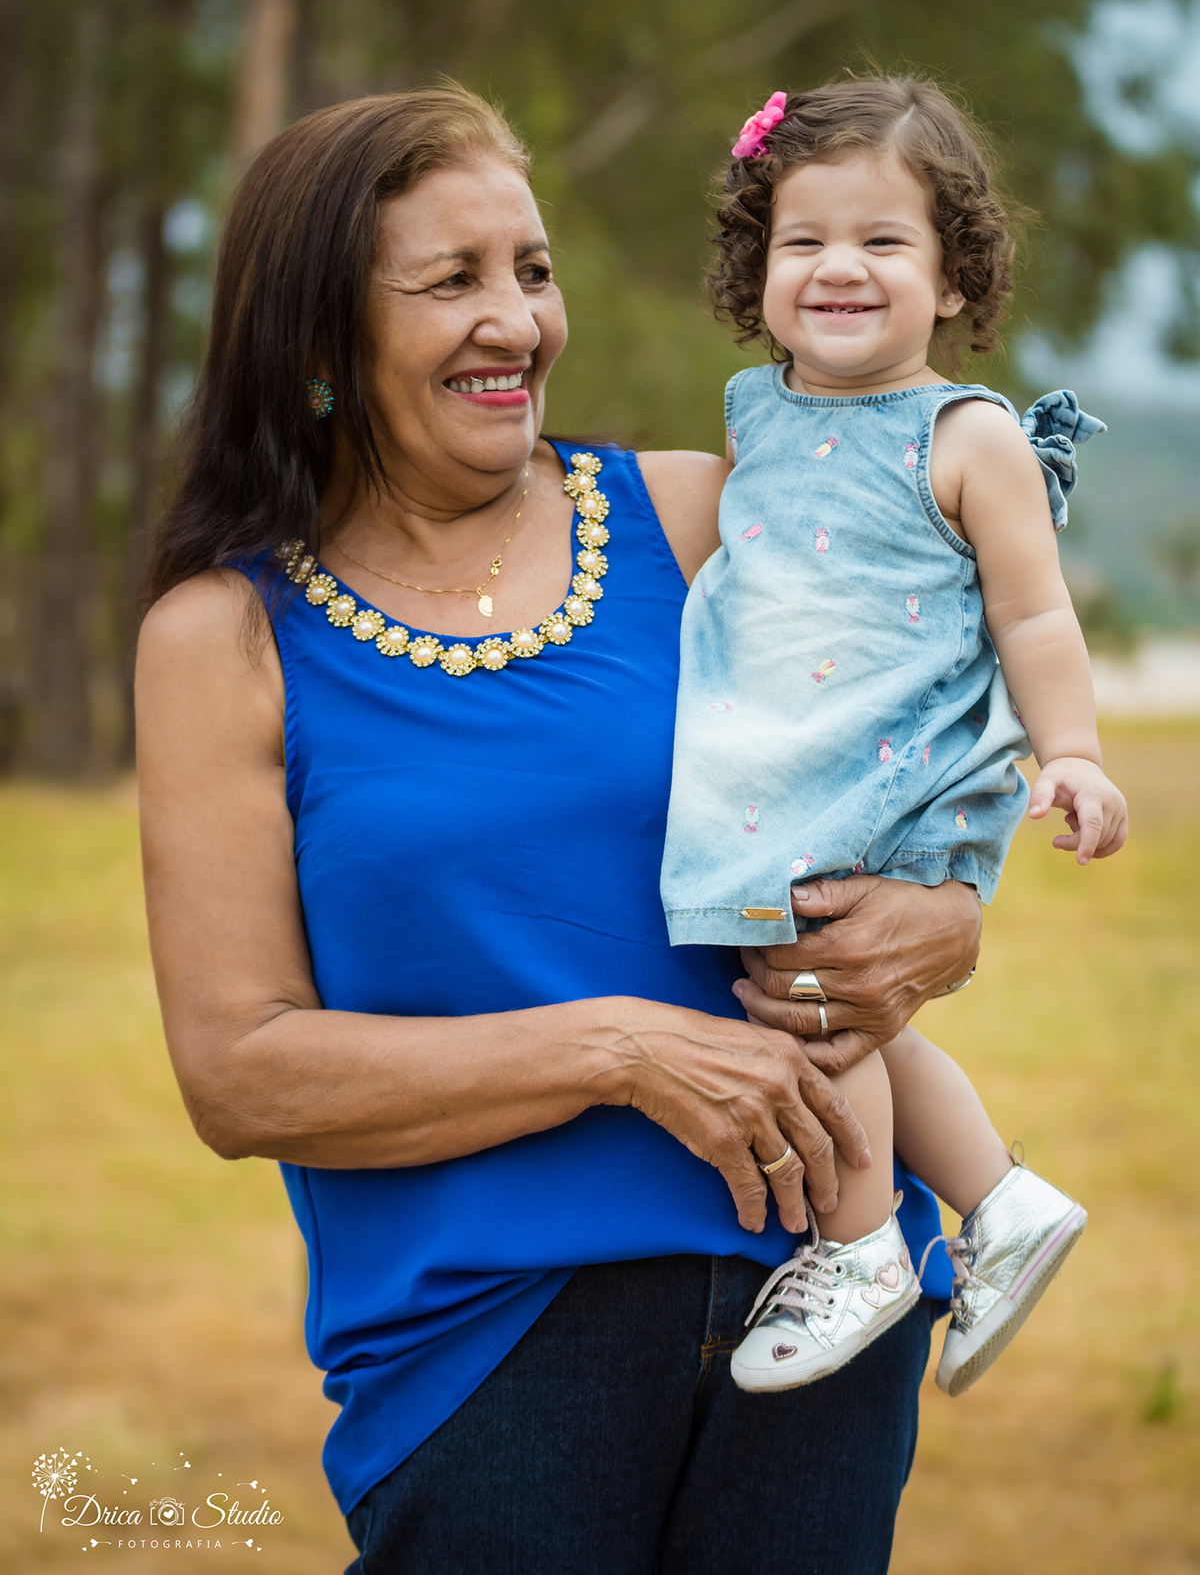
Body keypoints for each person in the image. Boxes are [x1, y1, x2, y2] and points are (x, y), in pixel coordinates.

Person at [135, 86, 984, 1575]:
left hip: (824, 1301)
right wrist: (621, 1051)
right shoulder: (225, 641)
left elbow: (923, 739)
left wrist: (950, 918)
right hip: (485, 1355)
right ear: (322, 337)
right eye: (451, 281)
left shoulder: (704, 518)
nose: (515, 322)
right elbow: (241, 1073)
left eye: (530, 271)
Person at [660, 76, 1127, 1398]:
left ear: (956, 277)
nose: (838, 268)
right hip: (789, 756)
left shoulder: (967, 435)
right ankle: (1002, 1200)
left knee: (816, 1002)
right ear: (758, 268)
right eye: (802, 241)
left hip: (896, 769)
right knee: (839, 1004)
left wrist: (1074, 753)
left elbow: (1033, 618)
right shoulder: (756, 413)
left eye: (882, 241)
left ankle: (863, 1242)